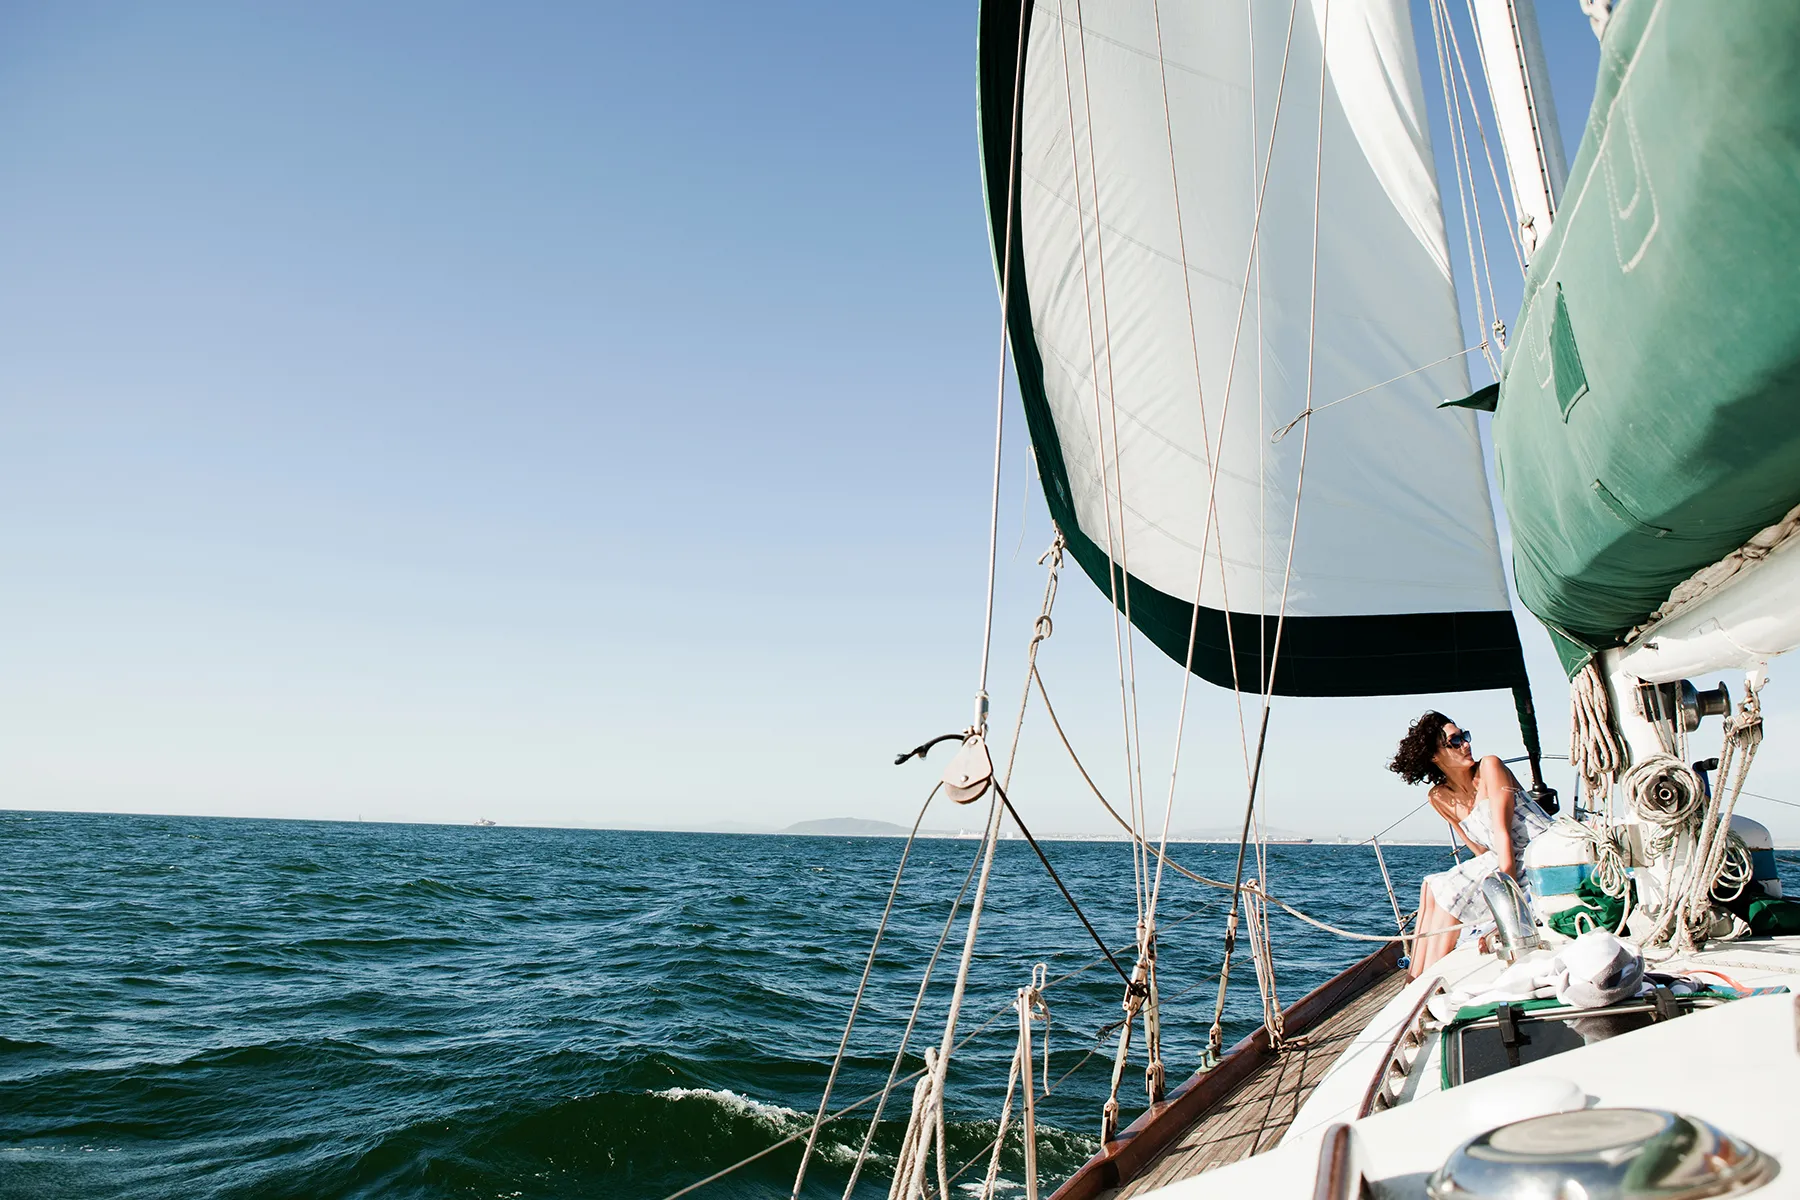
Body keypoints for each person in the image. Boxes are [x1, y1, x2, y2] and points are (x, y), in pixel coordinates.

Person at [1389, 711, 1550, 980]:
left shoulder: (1490, 767)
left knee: (1450, 888)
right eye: (1454, 741)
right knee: (1431, 885)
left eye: (1464, 736)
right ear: (1434, 756)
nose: (1466, 744)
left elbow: (1503, 836)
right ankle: (1414, 979)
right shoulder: (1439, 797)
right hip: (1502, 858)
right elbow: (1480, 852)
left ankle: (1429, 982)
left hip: (1538, 852)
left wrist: (1506, 903)